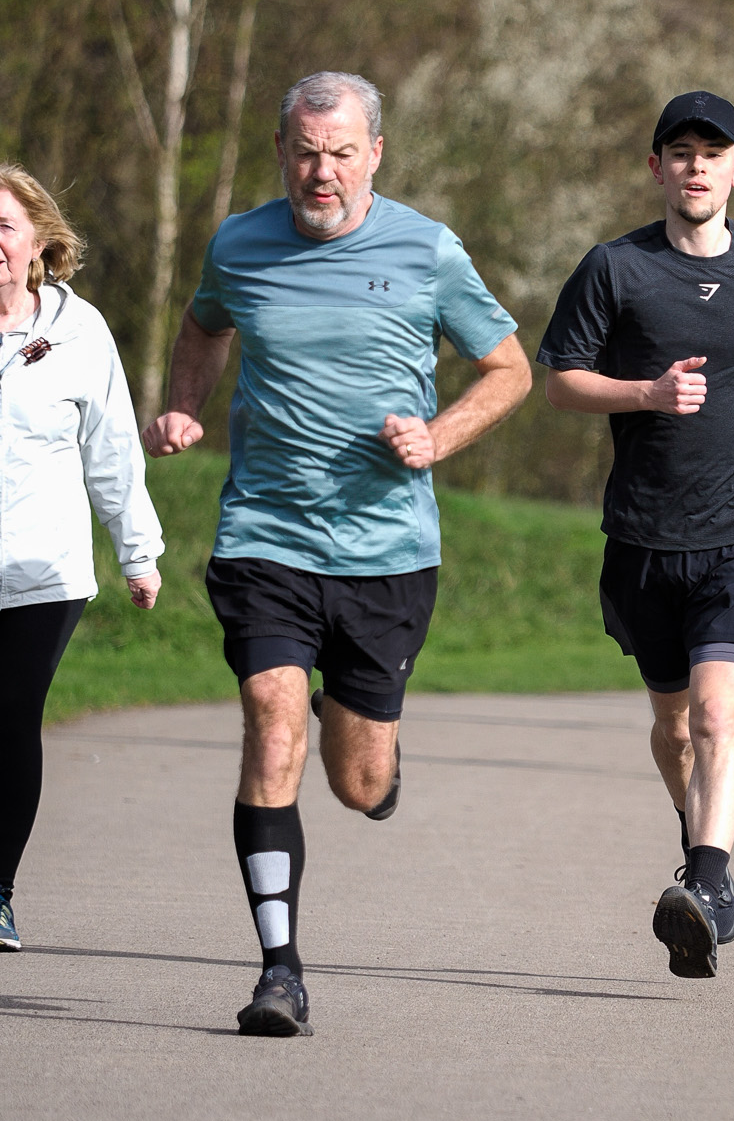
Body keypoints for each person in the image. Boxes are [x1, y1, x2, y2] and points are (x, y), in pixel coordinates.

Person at [143, 72, 531, 1037]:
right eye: (308, 153)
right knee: (272, 723)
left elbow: (509, 369)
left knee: (358, 785)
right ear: (282, 152)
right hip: (265, 536)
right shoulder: (238, 243)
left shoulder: (428, 248)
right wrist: (185, 402)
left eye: (343, 154)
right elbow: (203, 324)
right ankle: (280, 970)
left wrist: (438, 437)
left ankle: (371, 752)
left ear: (375, 155)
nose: (324, 173)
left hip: (386, 552)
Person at [539, 90, 734, 979]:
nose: (696, 167)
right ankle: (700, 850)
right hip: (646, 536)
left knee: (720, 715)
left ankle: (709, 888)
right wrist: (645, 393)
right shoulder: (614, 268)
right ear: (657, 167)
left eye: (713, 154)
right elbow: (560, 380)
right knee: (675, 728)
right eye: (680, 152)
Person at [0, 167, 163, 952]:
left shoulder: (79, 331)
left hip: (41, 571)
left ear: (38, 241)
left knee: (9, 719)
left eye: (2, 226)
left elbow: (113, 450)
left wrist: (139, 551)